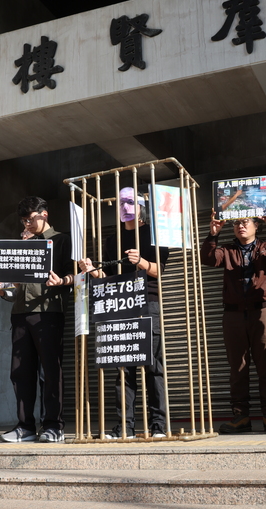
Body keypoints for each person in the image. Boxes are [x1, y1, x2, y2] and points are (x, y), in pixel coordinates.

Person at [78, 187, 170, 439]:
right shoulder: (112, 240)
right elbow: (108, 277)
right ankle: (124, 427)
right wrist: (91, 270)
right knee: (122, 368)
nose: (125, 207)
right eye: (120, 203)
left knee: (154, 367)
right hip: (120, 304)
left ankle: (159, 426)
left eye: (130, 202)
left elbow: (160, 270)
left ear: (141, 206)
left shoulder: (154, 234)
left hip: (148, 302)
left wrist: (142, 262)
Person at [201, 202, 266, 434]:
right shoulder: (227, 250)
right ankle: (240, 416)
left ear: (255, 226)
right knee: (237, 367)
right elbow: (208, 258)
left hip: (262, 311)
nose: (240, 226)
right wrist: (213, 234)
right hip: (233, 313)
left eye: (245, 222)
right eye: (236, 223)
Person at [0, 197, 73, 443]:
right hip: (20, 313)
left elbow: (75, 275)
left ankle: (53, 425)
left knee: (50, 371)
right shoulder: (22, 245)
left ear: (44, 214)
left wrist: (62, 281)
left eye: (30, 219)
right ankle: (25, 426)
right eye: (24, 221)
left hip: (48, 311)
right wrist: (4, 290)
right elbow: (15, 286)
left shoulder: (62, 240)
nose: (27, 224)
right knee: (20, 371)